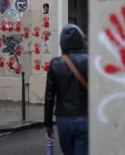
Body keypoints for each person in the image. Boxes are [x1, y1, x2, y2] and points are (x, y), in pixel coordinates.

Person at [44, 24, 88, 155]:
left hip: (63, 120)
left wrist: (48, 126)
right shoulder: (90, 61)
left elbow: (49, 97)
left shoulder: (55, 64)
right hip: (85, 117)